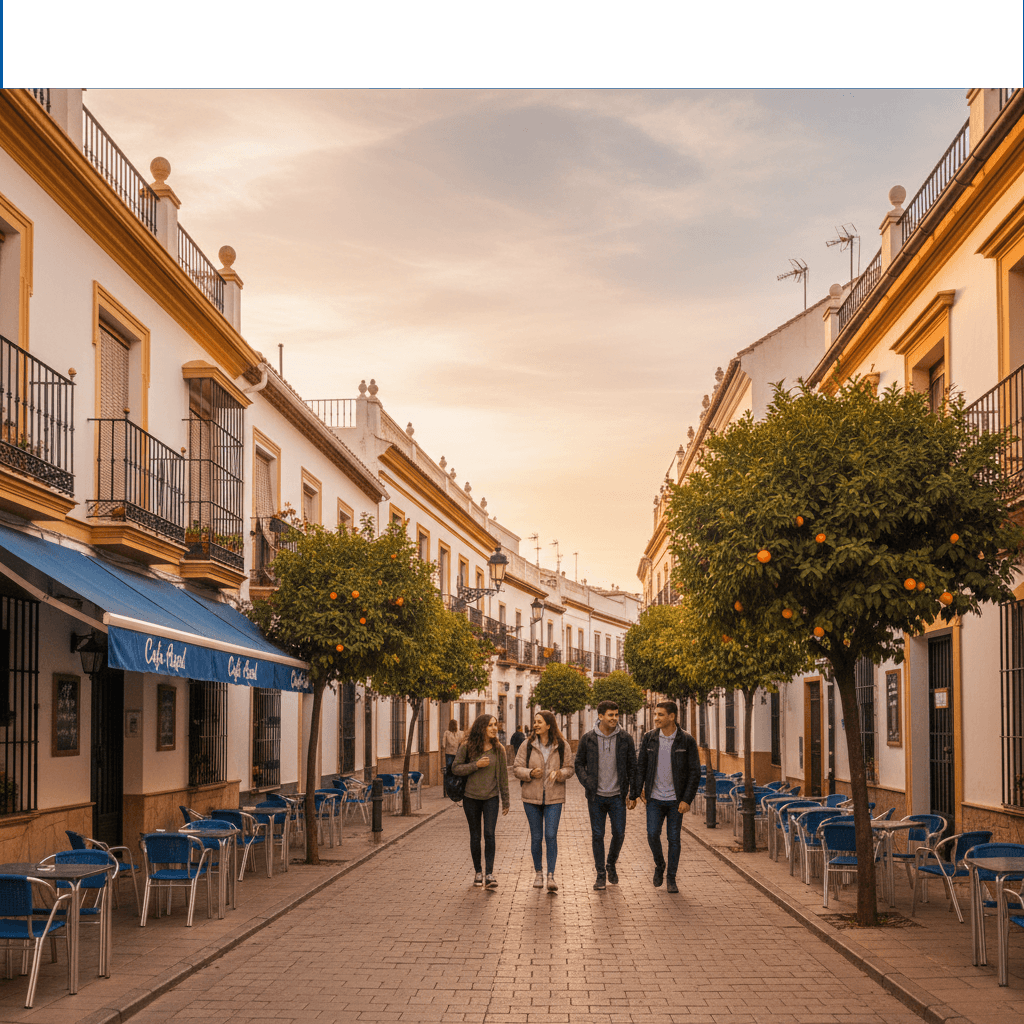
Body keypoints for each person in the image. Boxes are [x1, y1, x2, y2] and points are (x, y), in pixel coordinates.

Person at [637, 700, 701, 894]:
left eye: (660, 715)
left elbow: (694, 772)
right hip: (654, 798)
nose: (656, 718)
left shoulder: (686, 740)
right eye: (655, 714)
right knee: (652, 834)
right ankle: (660, 864)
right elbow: (641, 767)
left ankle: (671, 878)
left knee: (674, 838)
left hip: (676, 801)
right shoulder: (649, 738)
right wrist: (636, 790)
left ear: (672, 717)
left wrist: (686, 800)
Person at [574, 700, 638, 890]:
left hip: (618, 796)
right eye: (610, 715)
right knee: (597, 834)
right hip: (596, 797)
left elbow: (632, 767)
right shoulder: (588, 738)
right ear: (600, 716)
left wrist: (633, 793)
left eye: (616, 715)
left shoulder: (626, 738)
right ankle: (601, 874)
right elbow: (579, 763)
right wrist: (587, 782)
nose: (614, 718)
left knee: (619, 833)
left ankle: (611, 863)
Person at [513, 710, 575, 892]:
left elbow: (570, 768)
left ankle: (551, 876)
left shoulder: (562, 746)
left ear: (549, 725)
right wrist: (530, 773)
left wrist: (560, 774)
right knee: (536, 837)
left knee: (550, 835)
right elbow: (517, 768)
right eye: (535, 722)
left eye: (539, 722)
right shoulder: (527, 745)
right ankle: (538, 873)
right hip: (531, 797)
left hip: (554, 797)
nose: (536, 725)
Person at [451, 714, 510, 888]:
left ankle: (489, 874)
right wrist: (476, 765)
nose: (494, 728)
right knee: (475, 836)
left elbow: (503, 777)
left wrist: (506, 800)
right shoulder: (467, 747)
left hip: (491, 798)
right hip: (471, 798)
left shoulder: (499, 749)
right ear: (481, 727)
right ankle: (478, 872)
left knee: (490, 834)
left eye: (495, 725)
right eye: (490, 725)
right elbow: (455, 768)